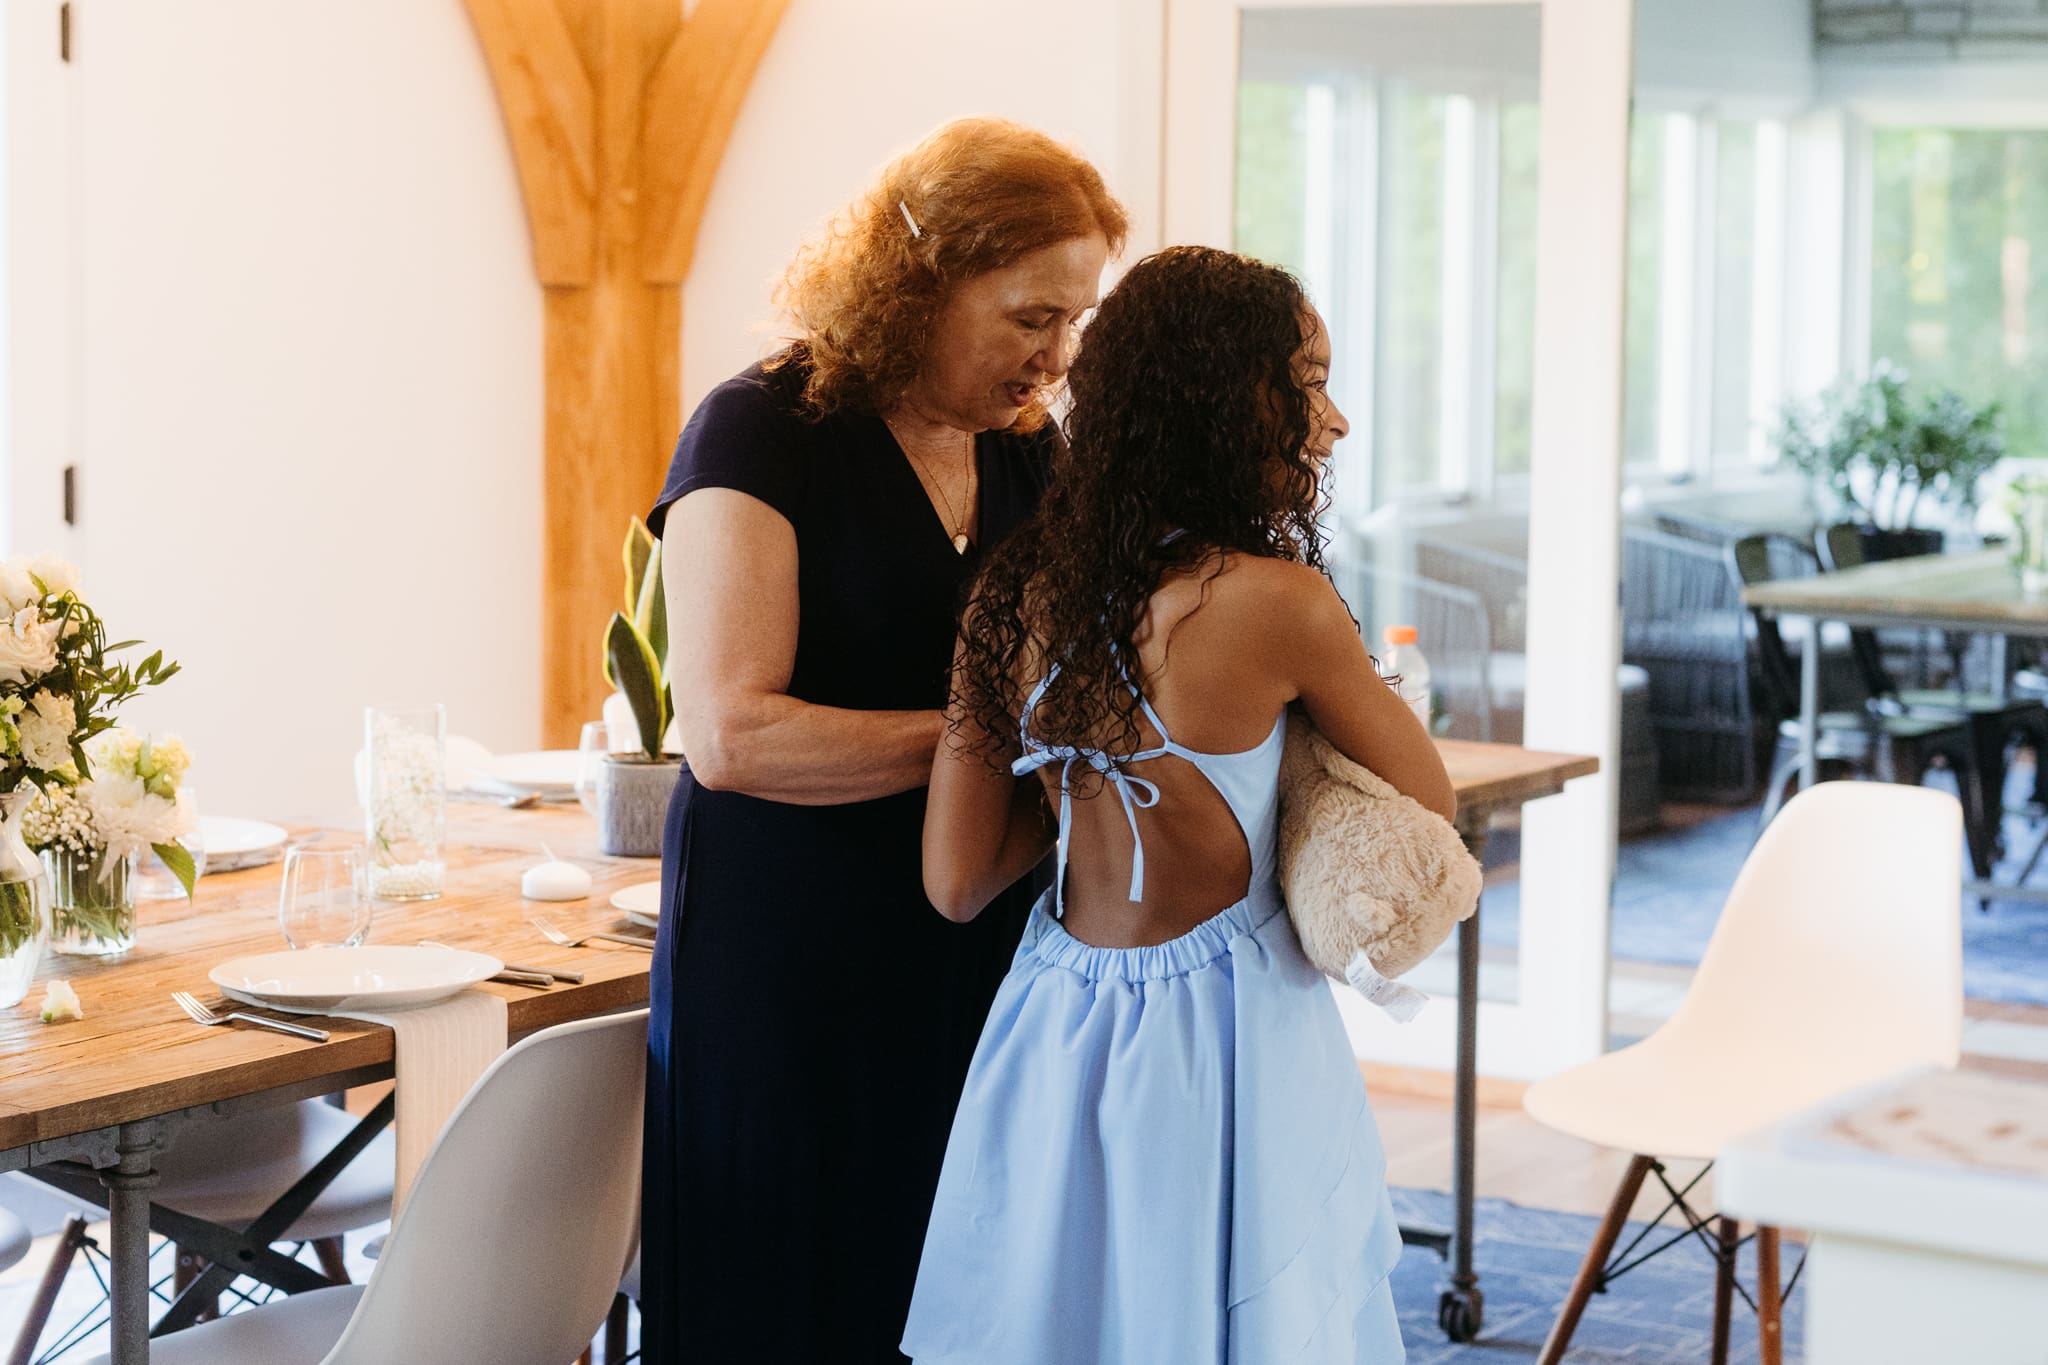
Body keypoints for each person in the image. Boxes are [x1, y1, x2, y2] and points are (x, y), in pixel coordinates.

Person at [902, 246, 1453, 1363]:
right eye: (1306, 384)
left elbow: (955, 883)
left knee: (1073, 1320)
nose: (1333, 422)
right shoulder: (1279, 605)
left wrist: (1079, 767)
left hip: (1056, 1021)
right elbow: (1425, 798)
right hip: (1227, 1025)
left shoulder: (1009, 596)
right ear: (1216, 398)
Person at [641, 119, 1127, 1364]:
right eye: (1030, 316)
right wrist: (994, 740)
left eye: (1074, 322)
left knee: (955, 1291)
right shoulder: (760, 431)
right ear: (918, 282)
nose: (1055, 357)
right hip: (790, 960)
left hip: (970, 941)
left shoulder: (1030, 454)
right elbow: (732, 736)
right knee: (795, 1296)